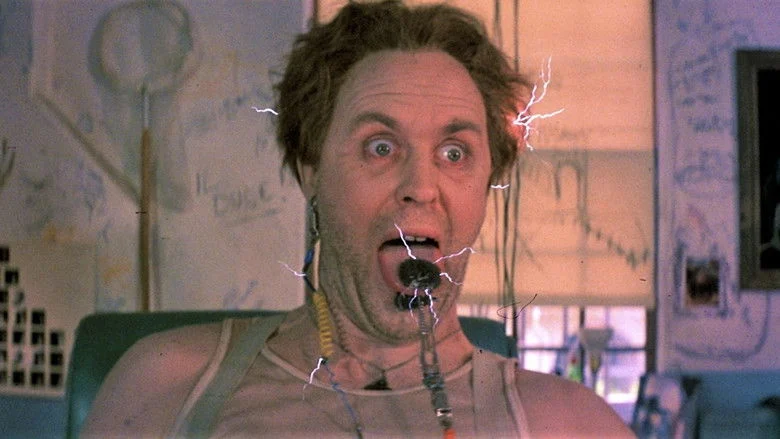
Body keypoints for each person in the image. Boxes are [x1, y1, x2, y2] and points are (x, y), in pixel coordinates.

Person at [82, 1, 634, 437]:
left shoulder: (571, 424)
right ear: (311, 172)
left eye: (455, 153)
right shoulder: (167, 387)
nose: (422, 187)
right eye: (380, 147)